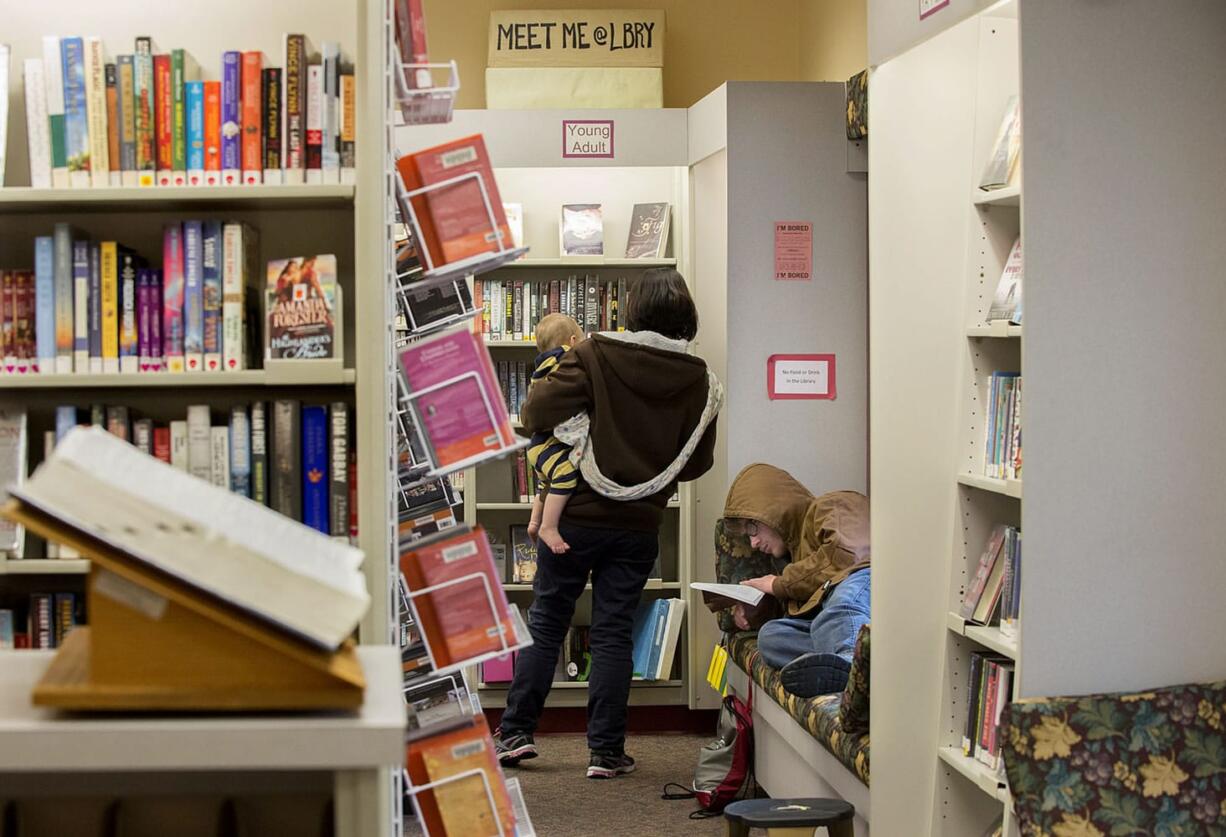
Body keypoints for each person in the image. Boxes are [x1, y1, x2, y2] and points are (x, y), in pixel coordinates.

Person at [495, 268, 722, 779]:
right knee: (615, 630)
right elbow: (698, 462)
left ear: (631, 310)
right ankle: (605, 752)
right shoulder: (701, 379)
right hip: (639, 524)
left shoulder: (595, 353)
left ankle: (514, 733)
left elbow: (535, 412)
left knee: (548, 622)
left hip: (575, 514)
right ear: (686, 314)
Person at [723, 463, 870, 698]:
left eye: (753, 529)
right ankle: (849, 664)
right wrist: (755, 611)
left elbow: (849, 555)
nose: (753, 544)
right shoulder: (790, 558)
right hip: (832, 622)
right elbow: (802, 610)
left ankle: (853, 665)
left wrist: (778, 584)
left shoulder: (831, 505)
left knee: (841, 602)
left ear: (774, 512)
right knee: (772, 637)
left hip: (864, 581)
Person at [524, 313, 587, 554]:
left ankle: (534, 523)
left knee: (546, 485)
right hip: (547, 443)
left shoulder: (544, 362)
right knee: (565, 473)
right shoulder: (562, 359)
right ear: (572, 341)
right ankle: (548, 527)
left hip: (542, 444)